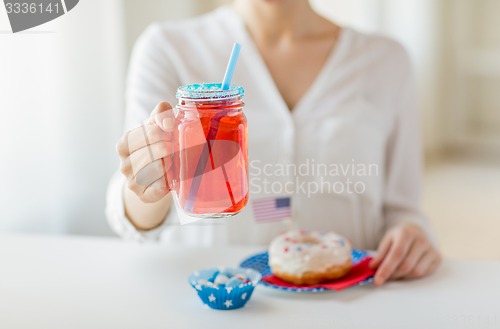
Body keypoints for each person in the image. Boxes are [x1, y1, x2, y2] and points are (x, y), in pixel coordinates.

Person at [107, 0, 441, 286]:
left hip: (343, 305)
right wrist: (148, 182)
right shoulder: (167, 48)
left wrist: (410, 233)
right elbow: (134, 220)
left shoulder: (386, 60)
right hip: (216, 305)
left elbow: (403, 210)